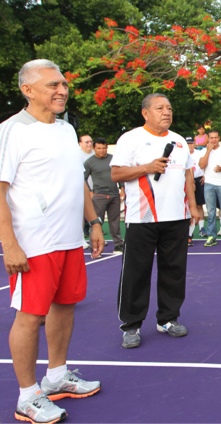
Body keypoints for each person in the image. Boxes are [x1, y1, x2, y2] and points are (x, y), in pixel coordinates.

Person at [0, 59, 103, 424]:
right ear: (28, 90)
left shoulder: (65, 129)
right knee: (30, 316)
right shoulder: (11, 130)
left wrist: (93, 222)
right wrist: (9, 244)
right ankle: (27, 397)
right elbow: (0, 189)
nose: (61, 90)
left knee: (65, 305)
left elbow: (76, 180)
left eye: (63, 84)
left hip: (68, 238)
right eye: (52, 85)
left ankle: (57, 376)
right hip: (34, 242)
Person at [111, 93, 200, 349]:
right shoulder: (131, 139)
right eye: (160, 108)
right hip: (142, 219)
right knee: (136, 274)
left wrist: (193, 206)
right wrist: (147, 168)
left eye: (169, 108)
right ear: (145, 113)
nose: (166, 112)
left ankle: (168, 319)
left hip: (177, 218)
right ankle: (131, 325)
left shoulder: (179, 140)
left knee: (174, 271)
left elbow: (188, 177)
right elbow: (116, 172)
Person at [84, 137, 125, 253]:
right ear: (94, 148)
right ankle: (95, 246)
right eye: (98, 148)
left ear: (107, 148)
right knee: (97, 221)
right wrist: (90, 191)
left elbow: (119, 174)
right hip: (99, 196)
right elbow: (83, 178)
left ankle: (118, 244)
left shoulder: (113, 159)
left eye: (103, 148)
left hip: (114, 195)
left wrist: (122, 188)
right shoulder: (89, 162)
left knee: (115, 221)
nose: (101, 150)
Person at [199, 130, 221, 247]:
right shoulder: (204, 151)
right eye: (211, 138)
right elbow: (201, 165)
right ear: (208, 138)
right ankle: (211, 236)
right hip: (209, 184)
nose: (213, 140)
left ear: (218, 138)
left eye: (215, 137)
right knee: (210, 212)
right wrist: (208, 151)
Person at [186, 136, 206, 245]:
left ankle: (201, 229)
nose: (189, 145)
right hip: (186, 182)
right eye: (187, 143)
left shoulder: (199, 154)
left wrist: (205, 175)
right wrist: (190, 182)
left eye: (191, 143)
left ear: (194, 144)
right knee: (188, 207)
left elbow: (205, 164)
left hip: (199, 180)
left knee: (198, 205)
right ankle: (189, 234)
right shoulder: (182, 154)